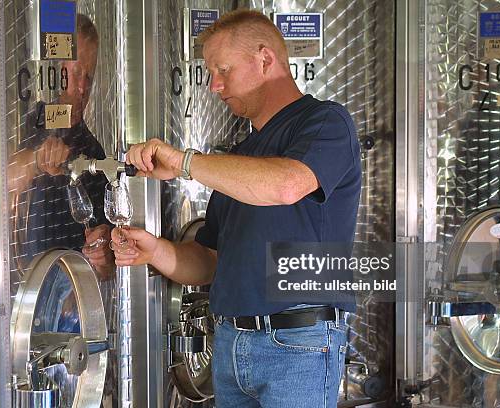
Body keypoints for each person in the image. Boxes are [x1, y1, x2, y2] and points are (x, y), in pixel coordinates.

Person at [108, 9, 361, 407]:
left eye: (222, 69)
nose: (214, 85)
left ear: (264, 60)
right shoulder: (241, 156)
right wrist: (154, 251)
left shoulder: (325, 122)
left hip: (297, 342)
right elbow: (209, 261)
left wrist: (184, 162)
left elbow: (286, 184)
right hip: (230, 344)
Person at [7, 14, 113, 279]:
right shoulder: (23, 125)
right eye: (75, 74)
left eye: (88, 77)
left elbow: (107, 266)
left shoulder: (92, 151)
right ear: (52, 72)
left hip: (68, 302)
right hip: (11, 291)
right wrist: (36, 160)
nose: (81, 89)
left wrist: (104, 250)